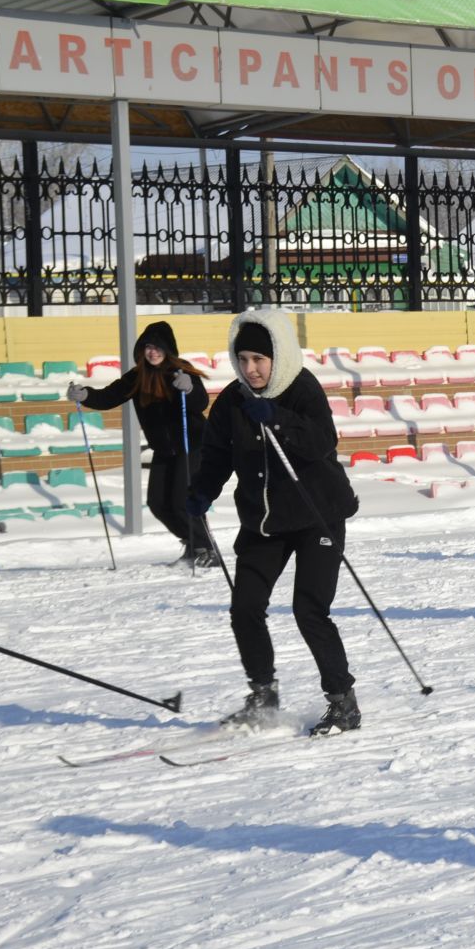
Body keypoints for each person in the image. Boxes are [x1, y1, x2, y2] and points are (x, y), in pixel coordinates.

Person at [184, 308, 362, 736]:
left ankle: (343, 704)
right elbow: (217, 456)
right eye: (243, 359)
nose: (251, 368)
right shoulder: (233, 400)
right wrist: (202, 490)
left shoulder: (301, 389)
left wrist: (279, 419)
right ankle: (262, 694)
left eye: (259, 360)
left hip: (316, 515)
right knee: (245, 607)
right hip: (264, 521)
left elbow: (322, 442)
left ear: (277, 357)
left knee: (309, 610)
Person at [68, 321, 213, 567]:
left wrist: (188, 390)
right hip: (164, 450)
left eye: (158, 347)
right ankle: (192, 543)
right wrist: (86, 395)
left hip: (190, 446)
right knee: (157, 503)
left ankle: (206, 549)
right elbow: (108, 396)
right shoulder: (137, 376)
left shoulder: (181, 371)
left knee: (181, 502)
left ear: (168, 349)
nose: (152, 352)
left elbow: (199, 402)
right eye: (148, 347)